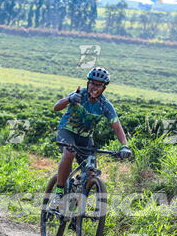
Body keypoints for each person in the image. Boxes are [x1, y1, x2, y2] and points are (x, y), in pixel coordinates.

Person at [50, 67, 131, 209]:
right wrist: (69, 99)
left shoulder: (105, 105)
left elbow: (117, 127)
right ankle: (59, 193)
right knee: (69, 153)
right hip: (67, 131)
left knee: (91, 172)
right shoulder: (78, 95)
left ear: (104, 88)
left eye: (98, 85)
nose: (94, 87)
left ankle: (77, 212)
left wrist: (124, 145)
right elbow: (56, 107)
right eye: (92, 83)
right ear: (88, 83)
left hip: (86, 138)